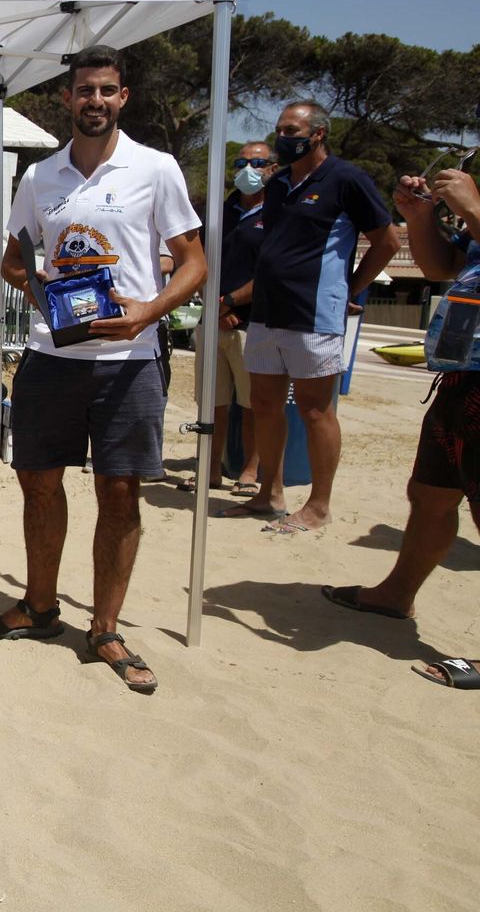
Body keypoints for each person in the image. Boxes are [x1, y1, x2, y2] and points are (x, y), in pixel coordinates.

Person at [0, 45, 206, 695]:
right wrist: (47, 293)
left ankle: (104, 628)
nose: (94, 101)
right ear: (68, 99)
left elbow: (193, 262)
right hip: (51, 357)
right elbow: (16, 262)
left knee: (120, 494)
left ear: (122, 98)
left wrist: (148, 312)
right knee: (38, 485)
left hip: (130, 360)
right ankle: (40, 607)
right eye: (84, 91)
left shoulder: (155, 170)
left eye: (106, 91)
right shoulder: (40, 178)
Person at [323, 165, 480, 689]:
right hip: (463, 376)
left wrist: (473, 210)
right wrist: (421, 219)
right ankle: (396, 594)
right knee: (431, 493)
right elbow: (446, 268)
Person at [224, 101, 398, 533]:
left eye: (291, 129)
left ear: (318, 133)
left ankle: (318, 506)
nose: (283, 135)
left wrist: (351, 287)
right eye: (280, 127)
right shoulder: (280, 182)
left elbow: (387, 241)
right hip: (266, 312)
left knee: (315, 410)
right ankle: (270, 494)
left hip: (314, 313)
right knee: (264, 405)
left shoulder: (347, 179)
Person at [184, 142, 275, 497]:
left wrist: (232, 303)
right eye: (241, 162)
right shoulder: (221, 214)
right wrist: (215, 305)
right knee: (212, 403)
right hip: (212, 320)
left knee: (252, 405)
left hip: (251, 324)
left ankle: (250, 471)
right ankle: (210, 469)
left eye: (257, 162)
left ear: (272, 168)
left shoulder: (277, 214)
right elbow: (199, 260)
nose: (248, 169)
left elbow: (271, 271)